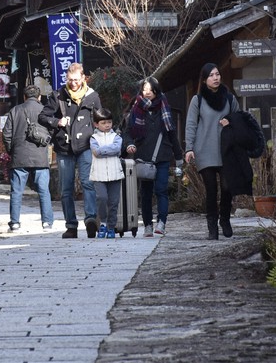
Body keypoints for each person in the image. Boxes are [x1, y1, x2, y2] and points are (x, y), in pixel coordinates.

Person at [39, 62, 102, 239]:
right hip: (64, 147)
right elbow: (43, 116)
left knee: (88, 184)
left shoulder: (92, 96)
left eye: (76, 79)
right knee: (66, 189)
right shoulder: (57, 95)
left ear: (83, 78)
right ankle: (71, 226)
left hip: (86, 146)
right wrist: (57, 122)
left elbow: (100, 119)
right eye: (70, 80)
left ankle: (90, 220)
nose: (73, 83)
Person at [184, 63, 240, 240]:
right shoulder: (197, 100)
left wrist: (230, 122)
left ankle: (224, 219)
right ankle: (212, 228)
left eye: (217, 74)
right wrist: (189, 148)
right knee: (211, 189)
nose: (215, 78)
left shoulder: (230, 99)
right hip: (204, 150)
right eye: (211, 75)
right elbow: (191, 125)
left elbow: (240, 119)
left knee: (227, 187)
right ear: (204, 79)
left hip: (226, 150)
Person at [124, 76, 183, 238]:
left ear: (156, 90)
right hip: (143, 156)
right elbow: (127, 132)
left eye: (150, 89)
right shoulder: (136, 108)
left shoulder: (164, 107)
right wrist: (129, 144)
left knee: (161, 189)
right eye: (144, 89)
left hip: (163, 155)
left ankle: (161, 222)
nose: (147, 92)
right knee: (146, 193)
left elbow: (171, 133)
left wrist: (179, 156)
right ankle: (148, 224)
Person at [2, 85, 54, 232]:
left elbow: (6, 134)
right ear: (39, 97)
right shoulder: (44, 111)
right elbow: (52, 131)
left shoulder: (15, 110)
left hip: (19, 156)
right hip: (40, 156)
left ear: (24, 97)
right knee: (44, 190)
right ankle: (47, 223)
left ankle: (15, 223)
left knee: (17, 191)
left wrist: (12, 151)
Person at [89, 107, 124, 239]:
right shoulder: (93, 137)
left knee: (114, 202)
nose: (107, 125)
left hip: (115, 173)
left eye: (109, 122)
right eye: (103, 123)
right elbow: (96, 152)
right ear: (96, 124)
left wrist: (103, 150)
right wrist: (109, 150)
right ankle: (102, 222)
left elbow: (117, 149)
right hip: (98, 174)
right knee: (102, 198)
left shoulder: (117, 137)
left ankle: (111, 226)